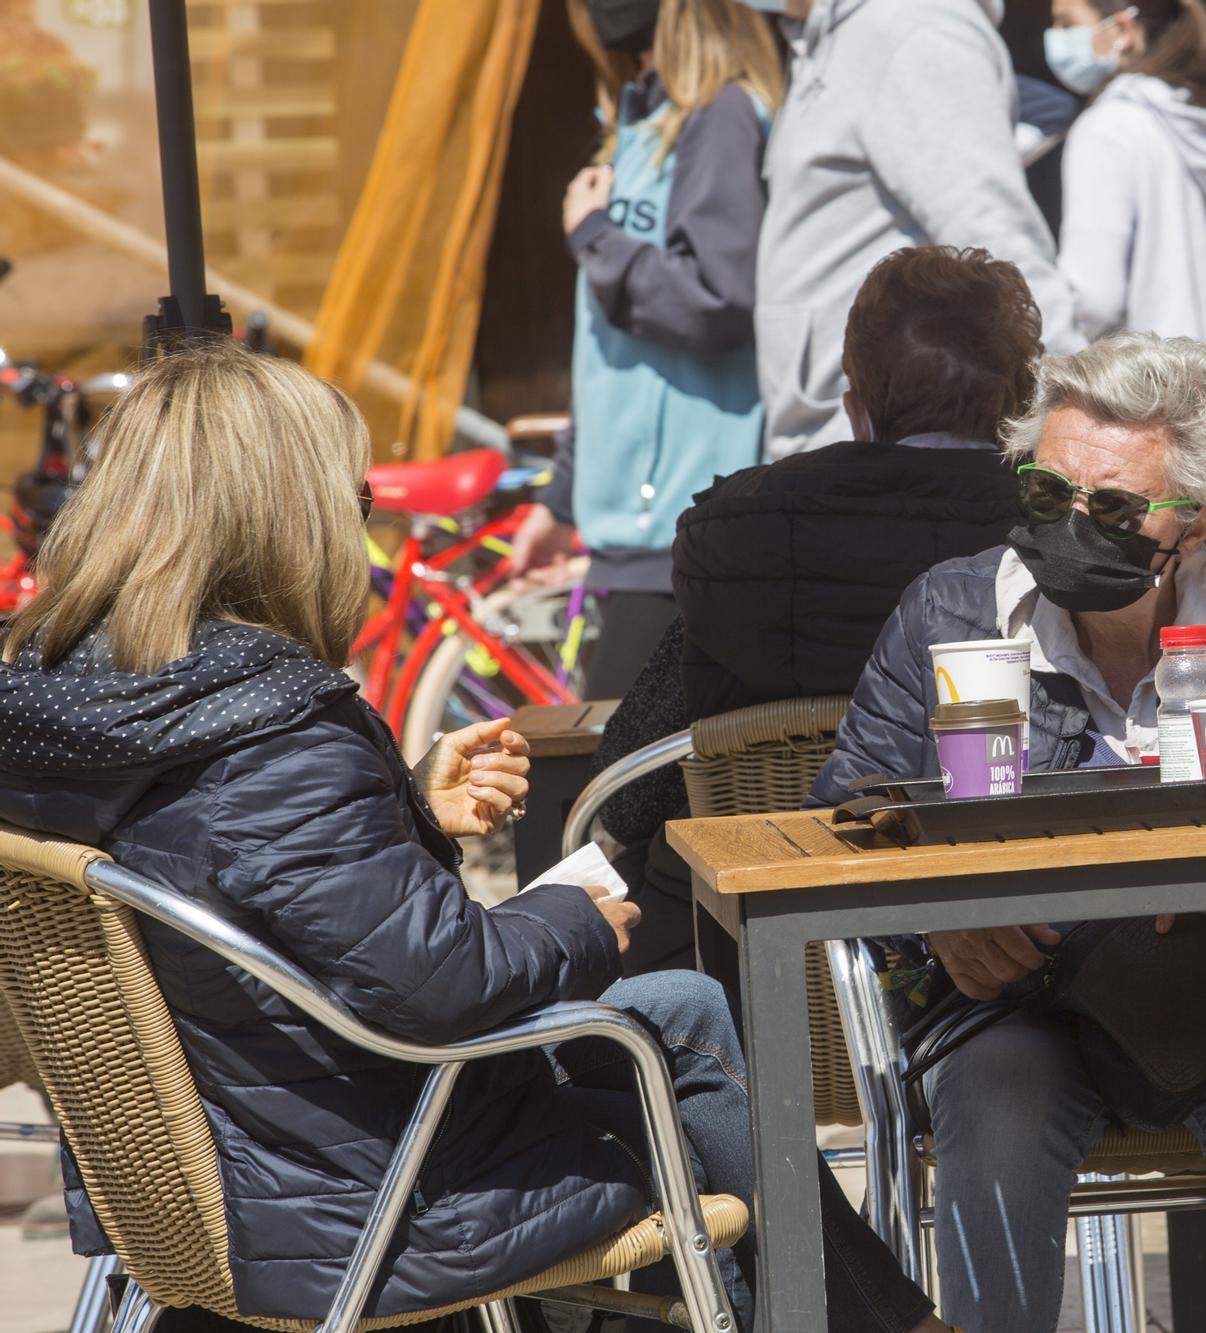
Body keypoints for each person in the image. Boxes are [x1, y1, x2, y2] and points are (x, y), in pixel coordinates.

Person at [0, 340, 950, 1333]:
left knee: (677, 1013)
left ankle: (883, 1322)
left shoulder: (69, 716)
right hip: (372, 1196)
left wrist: (398, 802)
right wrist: (573, 912)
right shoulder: (270, 736)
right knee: (680, 1057)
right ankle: (883, 1323)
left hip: (222, 1171)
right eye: (351, 505)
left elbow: (238, 882)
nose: (355, 532)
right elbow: (438, 987)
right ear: (280, 524)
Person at [806, 330, 1206, 1331]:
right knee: (999, 1099)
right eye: (1045, 491)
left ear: (1197, 520)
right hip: (1020, 1003)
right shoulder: (950, 610)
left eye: (1110, 507)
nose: (1069, 524)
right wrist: (935, 928)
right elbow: (836, 824)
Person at [591, 244, 1036, 974]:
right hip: (998, 960)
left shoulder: (739, 535)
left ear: (856, 407)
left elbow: (629, 794)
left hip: (756, 965)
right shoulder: (1059, 537)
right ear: (1019, 405)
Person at [507, 0, 785, 696]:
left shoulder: (718, 114)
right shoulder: (642, 122)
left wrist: (597, 237)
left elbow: (716, 298)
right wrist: (565, 496)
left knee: (593, 795)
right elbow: (611, 356)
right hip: (642, 536)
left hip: (685, 531)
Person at [739, 0, 1084, 456]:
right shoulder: (845, 35)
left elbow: (996, 236)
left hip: (888, 449)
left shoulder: (913, 28)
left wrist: (1085, 409)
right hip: (847, 438)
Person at [1044, 0, 1206, 362]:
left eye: (1066, 23)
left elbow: (1093, 299)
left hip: (1139, 403)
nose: (1054, 39)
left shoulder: (1109, 128)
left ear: (1122, 29)